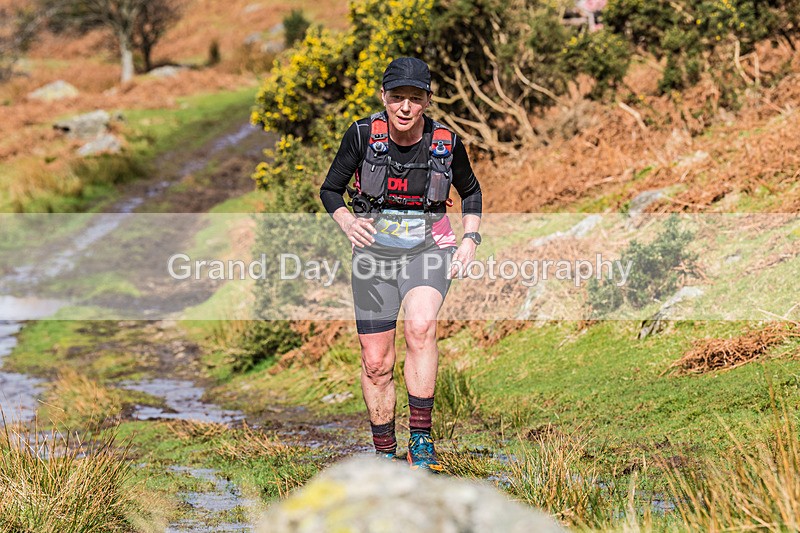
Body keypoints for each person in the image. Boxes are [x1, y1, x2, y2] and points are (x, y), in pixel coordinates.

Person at [319, 57, 482, 472]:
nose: (405, 108)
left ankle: (422, 441)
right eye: (397, 98)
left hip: (428, 250)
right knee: (376, 363)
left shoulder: (446, 142)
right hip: (373, 257)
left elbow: (471, 192)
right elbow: (331, 190)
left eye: (415, 98)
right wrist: (347, 221)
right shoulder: (361, 135)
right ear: (384, 98)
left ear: (427, 100)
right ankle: (384, 453)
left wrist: (470, 240)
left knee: (421, 327)